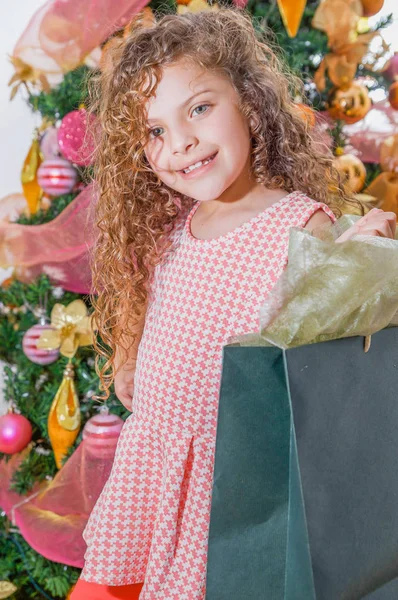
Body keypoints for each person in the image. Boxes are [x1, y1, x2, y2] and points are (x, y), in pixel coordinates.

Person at [71, 8, 396, 600]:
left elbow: (321, 333)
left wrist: (357, 258)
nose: (182, 143)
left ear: (248, 100)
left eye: (198, 108)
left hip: (230, 485)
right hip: (155, 468)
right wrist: (127, 358)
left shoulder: (301, 224)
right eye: (155, 131)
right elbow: (145, 311)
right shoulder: (172, 233)